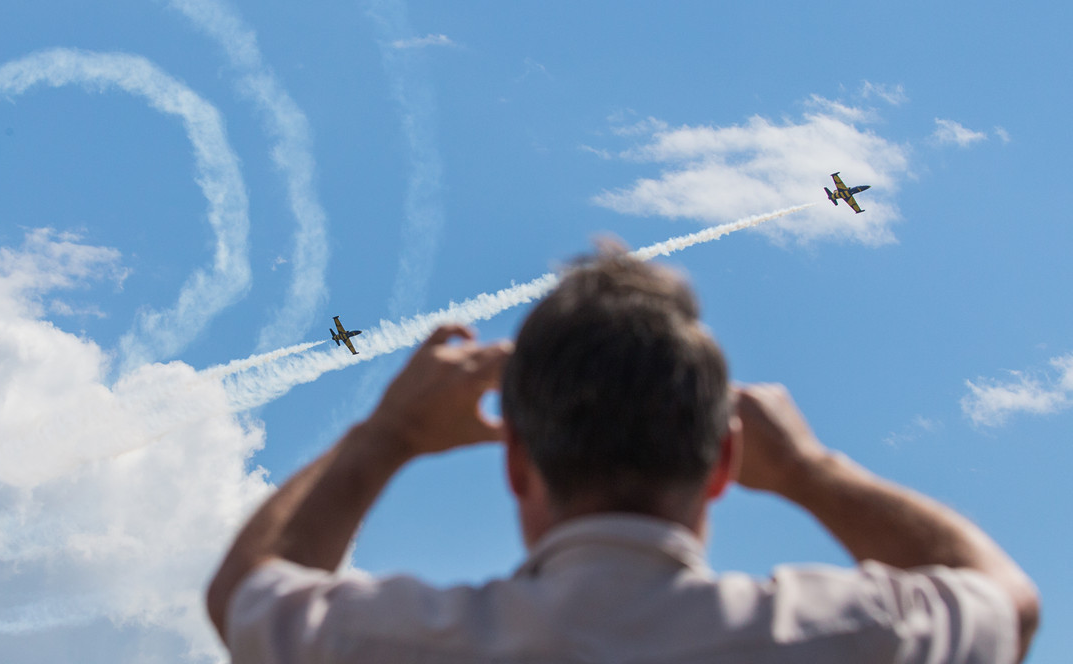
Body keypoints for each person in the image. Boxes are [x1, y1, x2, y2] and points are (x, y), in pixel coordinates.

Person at [207, 246, 1040, 663]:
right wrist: (811, 471)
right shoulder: (850, 634)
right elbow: (1008, 600)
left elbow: (244, 592)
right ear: (724, 465)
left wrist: (386, 434)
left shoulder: (398, 640)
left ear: (515, 463)